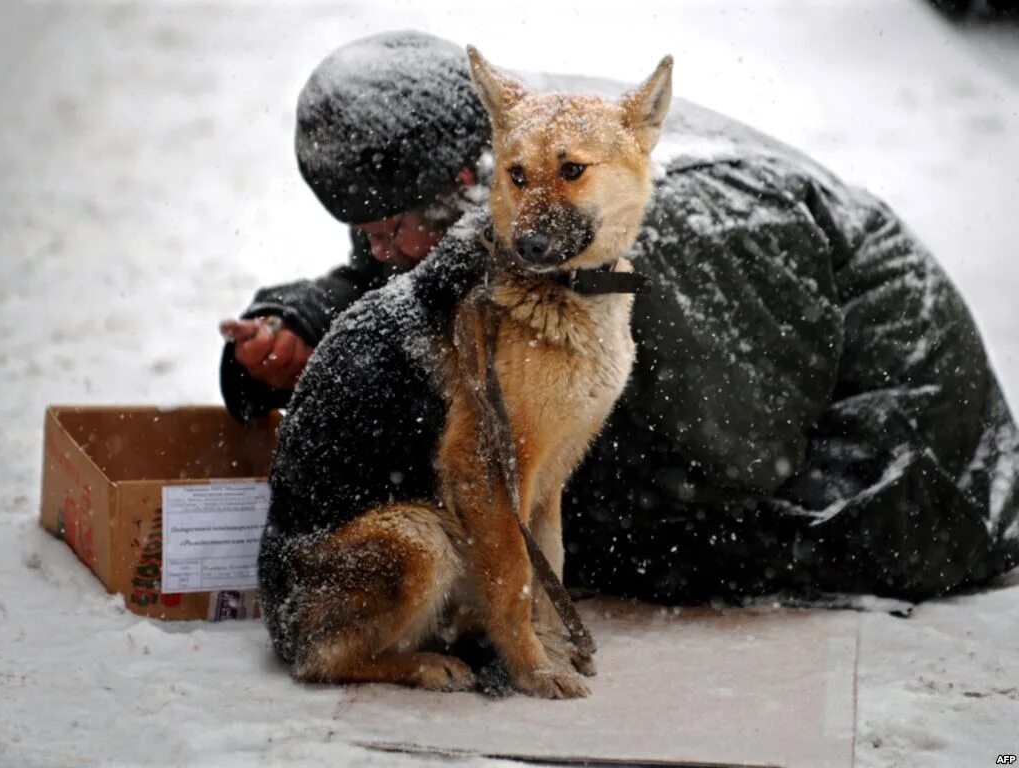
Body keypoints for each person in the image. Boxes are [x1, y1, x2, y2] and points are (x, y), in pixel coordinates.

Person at [220, 31, 1019, 604]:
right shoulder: (524, 167)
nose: (382, 254)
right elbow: (422, 283)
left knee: (568, 525)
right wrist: (303, 322)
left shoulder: (644, 236)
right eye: (365, 236)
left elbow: (735, 458)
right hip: (760, 411)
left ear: (465, 178)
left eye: (392, 229)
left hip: (904, 473)